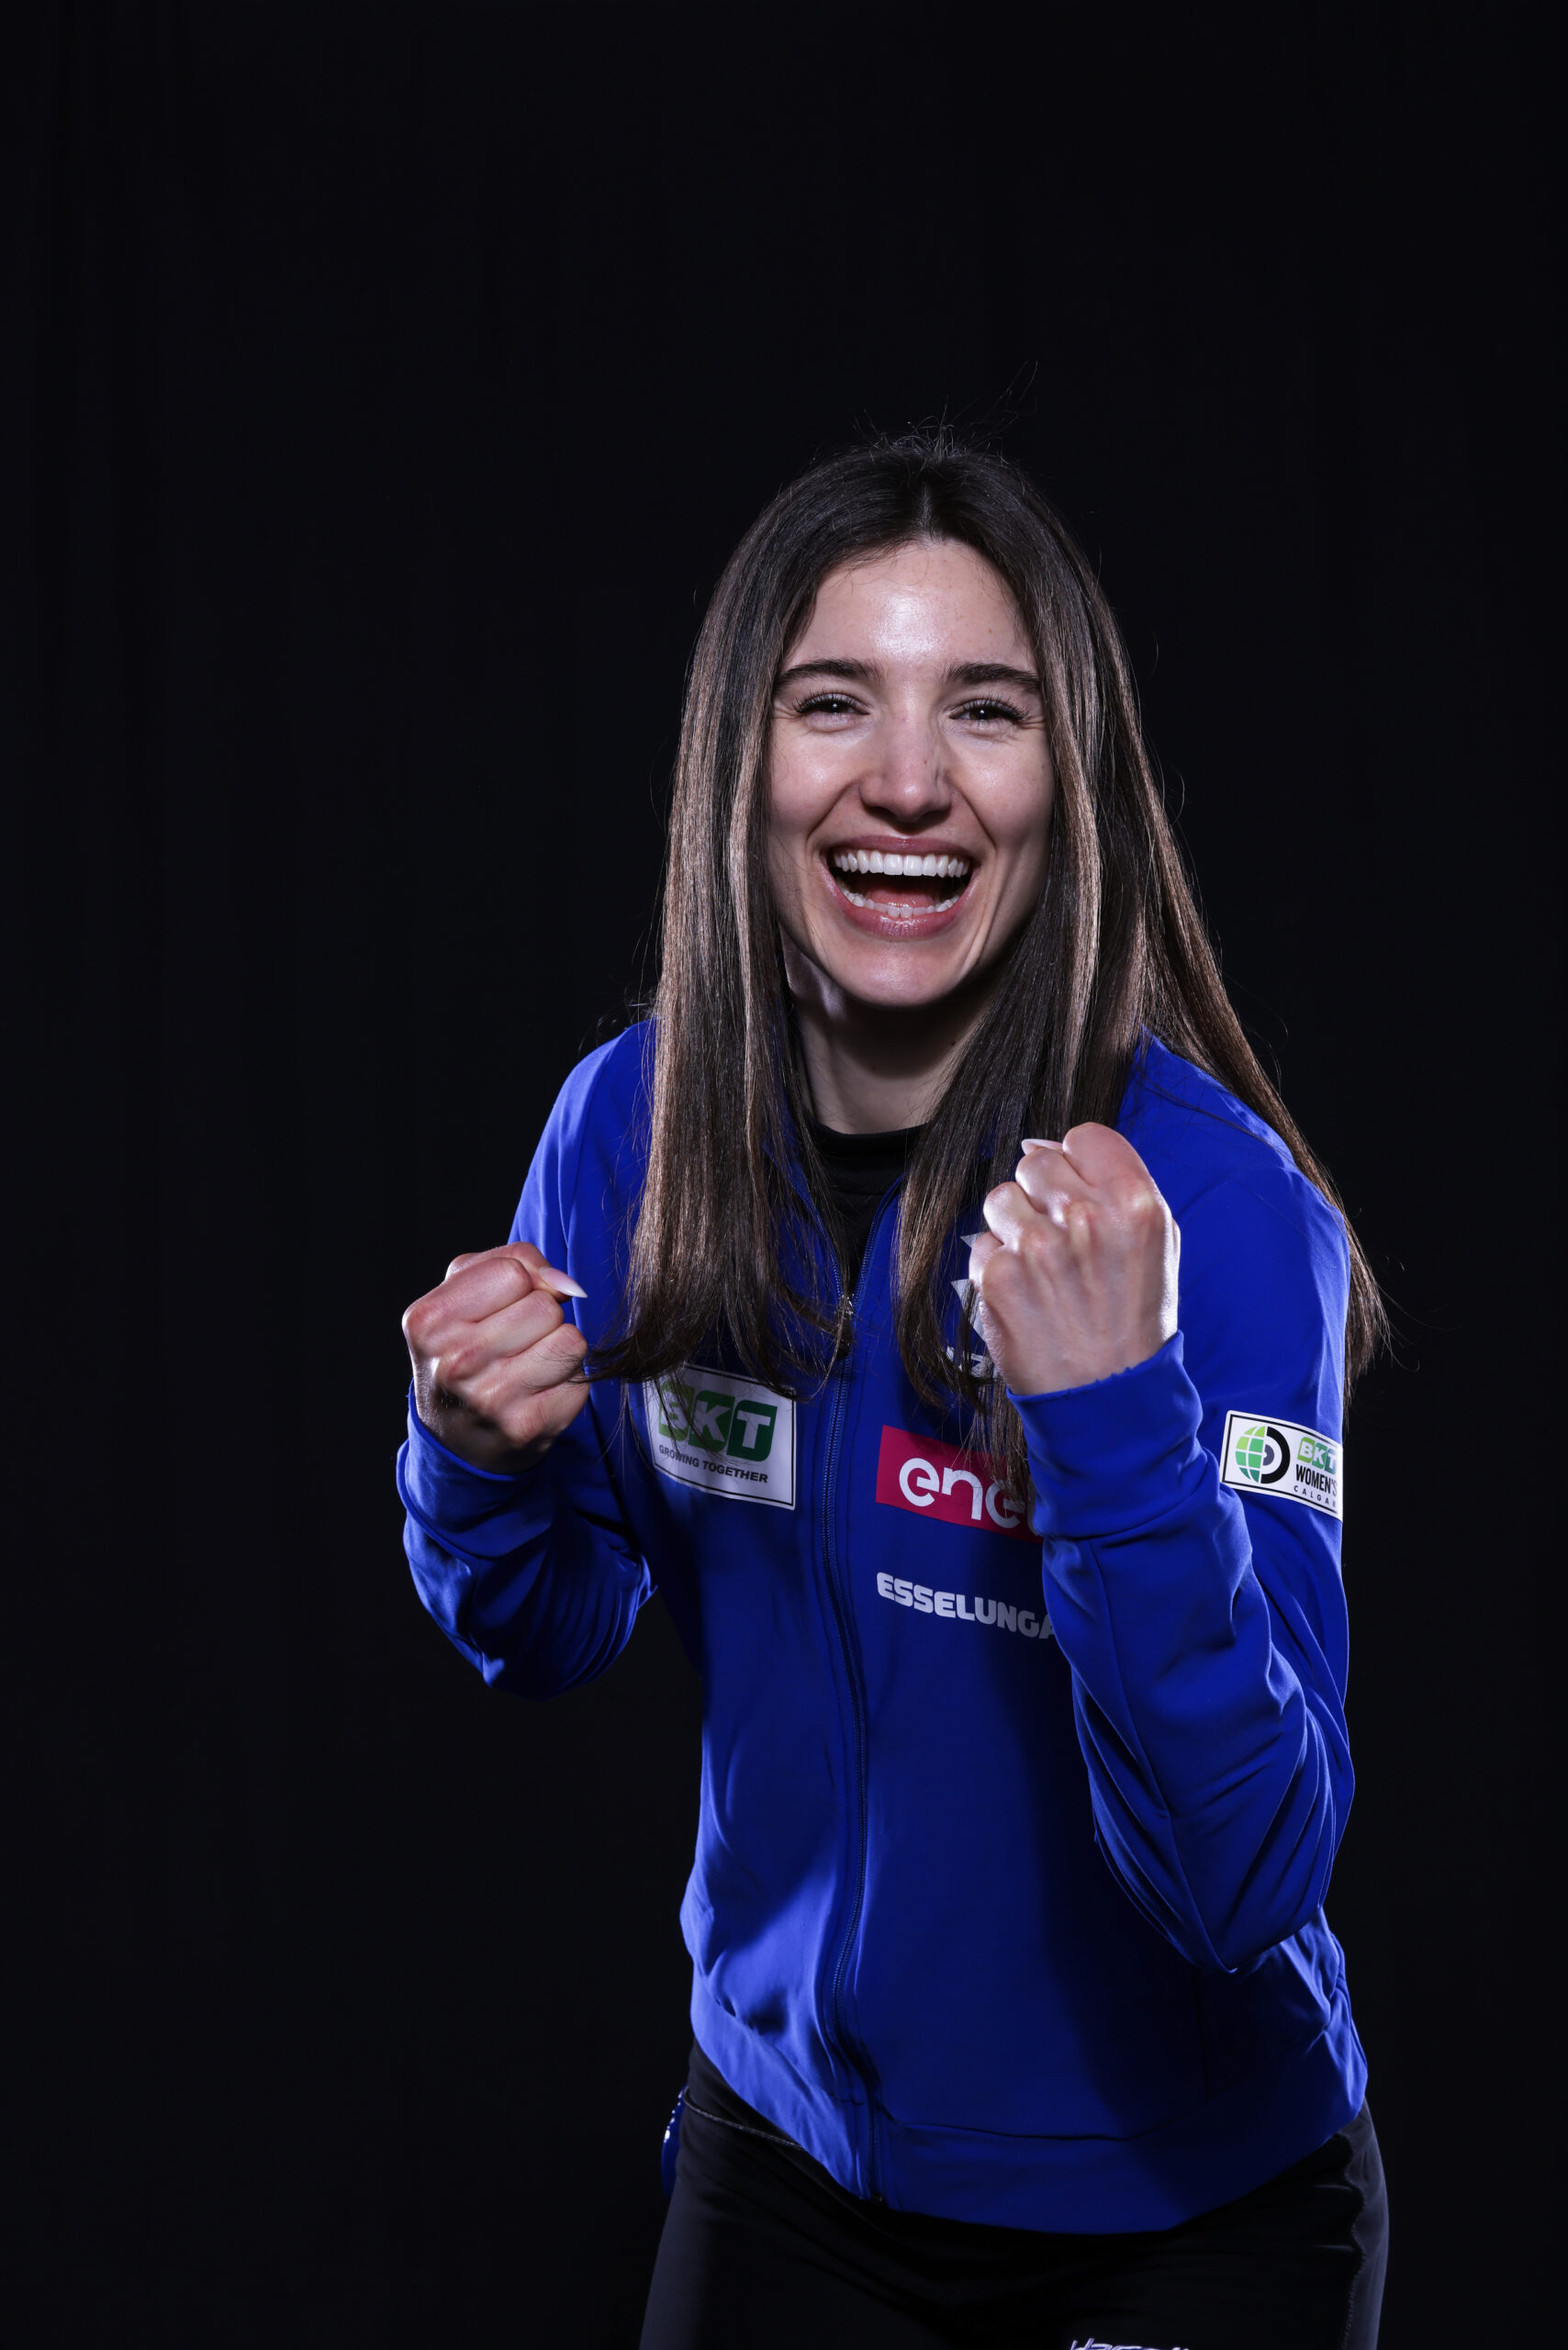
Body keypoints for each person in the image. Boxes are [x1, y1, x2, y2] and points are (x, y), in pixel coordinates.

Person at [397, 436, 1389, 2348]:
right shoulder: (631, 1131)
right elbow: (547, 1623)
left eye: (984, 711)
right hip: (791, 2169)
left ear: (1066, 781)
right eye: (833, 700)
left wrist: (1112, 1426)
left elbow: (1244, 1874)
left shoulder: (1212, 1211)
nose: (909, 781)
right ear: (742, 762)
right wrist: (472, 1464)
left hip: (1185, 2214)